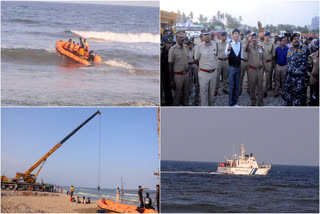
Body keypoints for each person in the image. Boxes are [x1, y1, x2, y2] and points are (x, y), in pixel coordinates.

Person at [283, 33, 310, 106]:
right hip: (289, 78)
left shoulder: (304, 49)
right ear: (291, 41)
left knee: (298, 100)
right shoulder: (289, 50)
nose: (296, 40)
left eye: (298, 38)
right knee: (288, 98)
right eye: (294, 39)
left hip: (299, 79)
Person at [194, 27, 218, 106]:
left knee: (211, 94)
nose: (207, 36)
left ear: (211, 35)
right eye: (205, 34)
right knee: (204, 95)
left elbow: (216, 56)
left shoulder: (215, 44)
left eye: (208, 34)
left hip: (213, 73)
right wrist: (204, 67)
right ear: (202, 36)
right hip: (203, 74)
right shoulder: (199, 47)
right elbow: (196, 60)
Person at [168, 30, 189, 106]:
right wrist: (171, 80)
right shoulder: (172, 49)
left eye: (183, 37)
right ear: (176, 38)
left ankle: (185, 106)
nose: (182, 39)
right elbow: (170, 65)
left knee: (186, 93)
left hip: (186, 74)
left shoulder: (186, 47)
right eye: (180, 37)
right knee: (177, 94)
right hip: (178, 75)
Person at [246, 32, 267, 106]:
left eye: (255, 38)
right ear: (251, 39)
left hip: (260, 70)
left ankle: (260, 102)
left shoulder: (261, 48)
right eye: (253, 38)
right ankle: (253, 101)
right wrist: (249, 41)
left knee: (260, 86)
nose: (254, 39)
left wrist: (266, 69)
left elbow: (263, 59)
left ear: (258, 39)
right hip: (252, 70)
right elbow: (246, 48)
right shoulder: (249, 47)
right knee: (252, 87)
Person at [225, 29, 243, 106]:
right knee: (232, 86)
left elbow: (241, 56)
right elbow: (226, 53)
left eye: (237, 34)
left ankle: (235, 102)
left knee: (237, 85)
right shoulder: (229, 43)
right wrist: (228, 49)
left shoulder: (240, 44)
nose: (236, 35)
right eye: (235, 33)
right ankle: (231, 103)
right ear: (232, 35)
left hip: (238, 67)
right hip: (231, 68)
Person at [161, 39, 173, 106]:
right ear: (165, 44)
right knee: (166, 88)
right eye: (168, 43)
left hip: (172, 72)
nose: (169, 45)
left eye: (170, 43)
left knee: (171, 87)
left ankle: (171, 100)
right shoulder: (163, 52)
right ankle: (167, 101)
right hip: (165, 72)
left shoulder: (172, 50)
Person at [262, 31, 274, 97]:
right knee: (261, 77)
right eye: (266, 36)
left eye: (268, 36)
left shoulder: (271, 45)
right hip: (261, 62)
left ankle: (266, 90)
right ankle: (260, 90)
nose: (267, 37)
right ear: (264, 37)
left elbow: (273, 55)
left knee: (268, 77)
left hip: (269, 62)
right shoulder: (261, 44)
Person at [187, 40, 199, 105]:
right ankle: (190, 91)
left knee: (196, 79)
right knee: (190, 79)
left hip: (194, 64)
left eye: (191, 44)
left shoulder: (195, 49)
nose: (190, 46)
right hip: (188, 65)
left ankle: (196, 94)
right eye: (189, 45)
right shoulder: (186, 50)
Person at [240, 30, 251, 96]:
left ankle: (249, 89)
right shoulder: (241, 42)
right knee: (241, 76)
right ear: (245, 35)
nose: (249, 35)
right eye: (248, 34)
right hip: (243, 61)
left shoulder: (252, 42)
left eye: (250, 34)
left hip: (249, 61)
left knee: (249, 77)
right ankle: (240, 89)